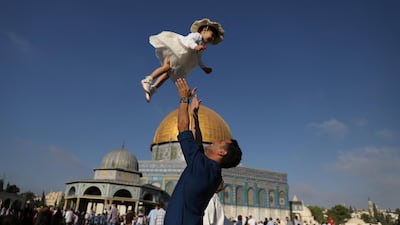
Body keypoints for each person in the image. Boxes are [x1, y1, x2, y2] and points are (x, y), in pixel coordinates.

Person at [163, 78, 242, 225]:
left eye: (219, 142)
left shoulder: (201, 167)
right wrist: (195, 116)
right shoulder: (213, 173)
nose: (213, 141)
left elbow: (182, 127)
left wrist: (183, 99)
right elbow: (198, 142)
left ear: (222, 153)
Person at [141, 18, 225, 102]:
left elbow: (198, 58)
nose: (212, 39)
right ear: (204, 30)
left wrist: (204, 67)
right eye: (212, 35)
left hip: (180, 59)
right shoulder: (197, 36)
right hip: (175, 50)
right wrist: (195, 47)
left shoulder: (201, 45)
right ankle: (148, 80)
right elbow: (188, 41)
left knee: (168, 74)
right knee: (166, 67)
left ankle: (153, 89)